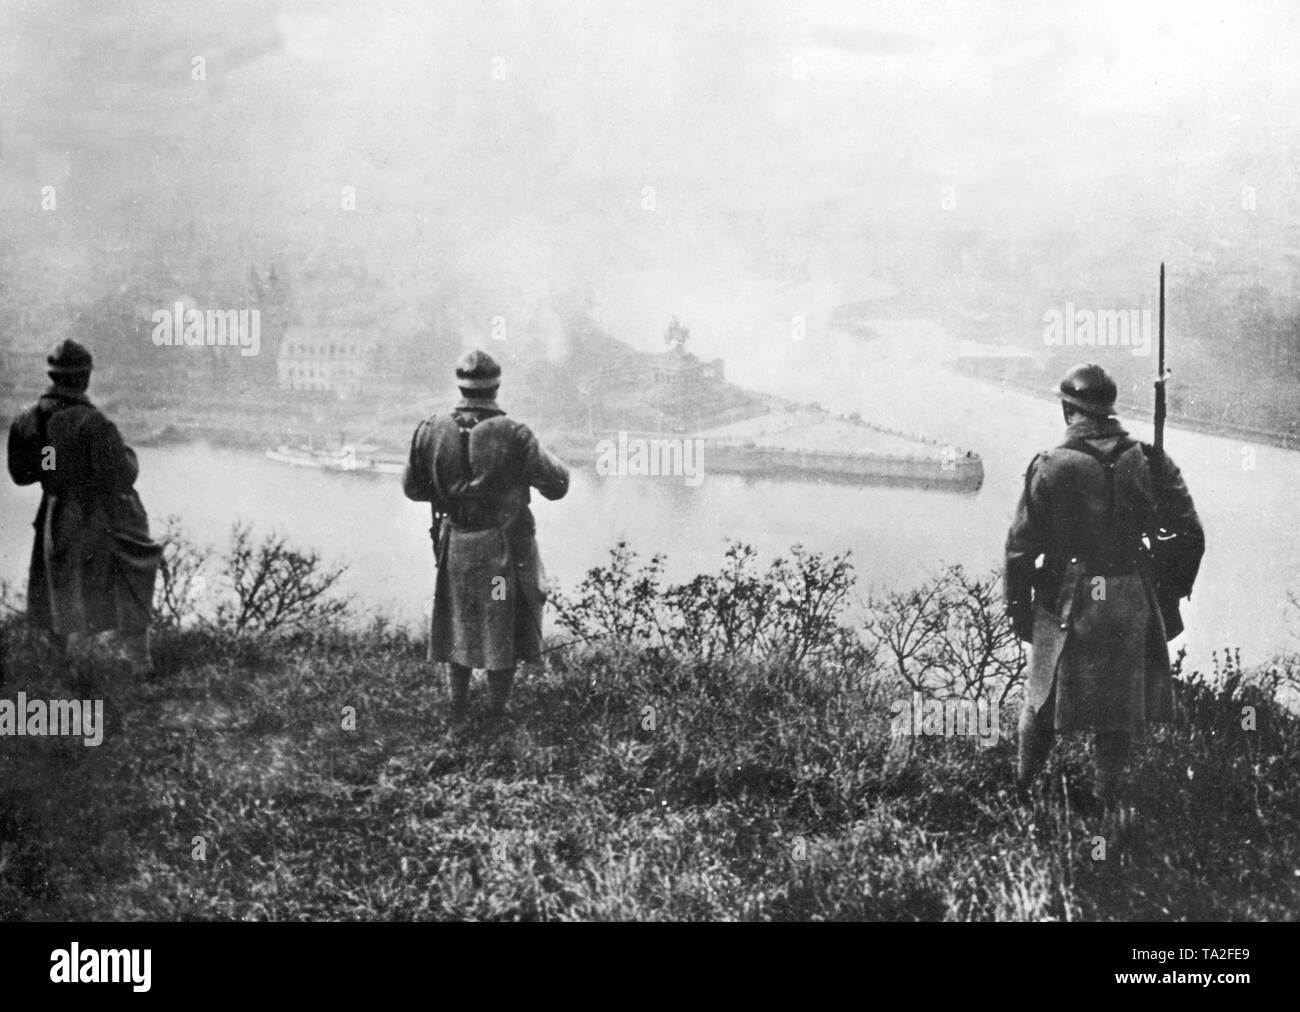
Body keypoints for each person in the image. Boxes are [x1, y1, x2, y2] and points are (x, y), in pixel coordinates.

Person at [1004, 362, 1204, 809]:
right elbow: (1190, 536)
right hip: (1131, 597)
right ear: (1108, 409)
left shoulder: (1050, 465)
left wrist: (1018, 609)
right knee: (1118, 710)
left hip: (1069, 602)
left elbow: (1019, 548)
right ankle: (1105, 802)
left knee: (1040, 702)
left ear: (1067, 409)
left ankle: (1022, 794)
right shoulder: (1150, 458)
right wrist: (1164, 595)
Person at [402, 349, 569, 723]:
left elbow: (413, 489)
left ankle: (457, 705)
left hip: (456, 543)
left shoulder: (430, 429)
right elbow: (558, 485)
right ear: (496, 386)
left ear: (460, 384)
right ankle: (497, 711)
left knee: (457, 616)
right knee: (501, 620)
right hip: (502, 547)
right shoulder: (515, 433)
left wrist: (451, 489)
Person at [7, 339, 162, 681]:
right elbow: (121, 474)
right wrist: (128, 454)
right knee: (124, 581)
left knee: (59, 597)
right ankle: (133, 671)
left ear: (52, 375)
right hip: (96, 518)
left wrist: (53, 464)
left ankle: (62, 677)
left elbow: (22, 475)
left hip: (53, 516)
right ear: (85, 378)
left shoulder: (26, 420)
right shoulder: (94, 423)